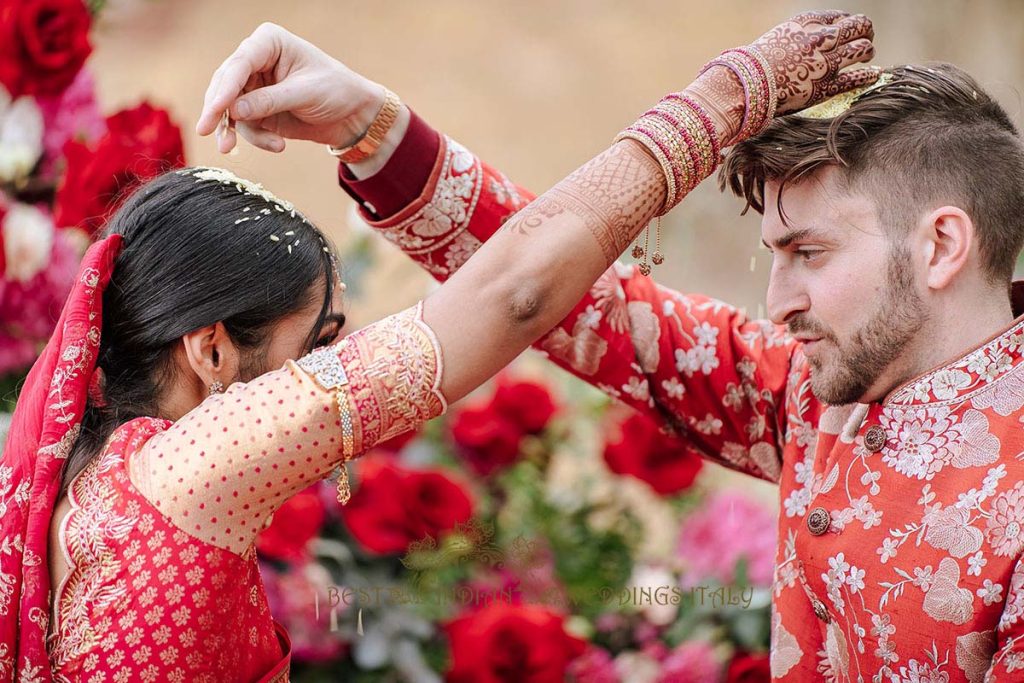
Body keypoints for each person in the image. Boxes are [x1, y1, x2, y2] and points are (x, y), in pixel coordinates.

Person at [0, 12, 870, 683]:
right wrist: (725, 98)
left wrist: (374, 129)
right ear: (212, 351)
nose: (326, 376)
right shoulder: (194, 470)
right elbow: (515, 293)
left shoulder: (70, 495)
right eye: (319, 346)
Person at [206, 17, 1024, 683]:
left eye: (809, 254)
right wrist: (373, 133)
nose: (779, 302)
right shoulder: (814, 395)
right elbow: (587, 306)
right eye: (771, 257)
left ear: (942, 245)